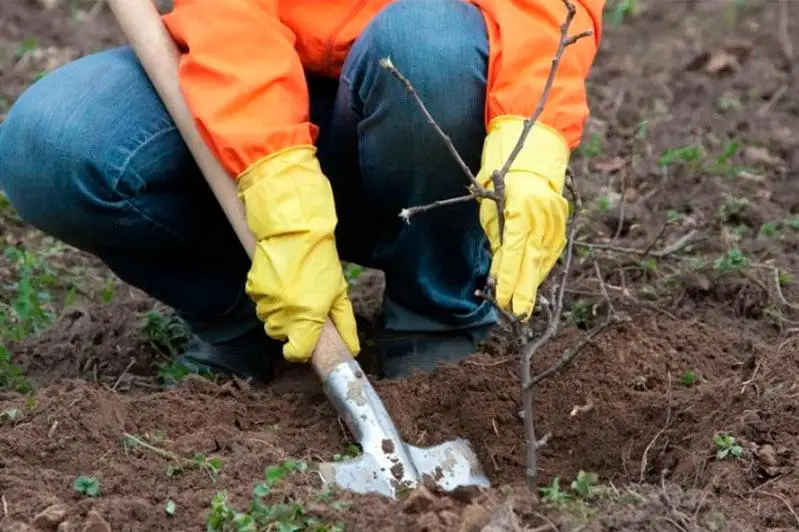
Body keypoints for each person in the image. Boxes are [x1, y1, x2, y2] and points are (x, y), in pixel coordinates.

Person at [0, 0, 603, 381]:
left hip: (423, 94)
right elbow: (230, 23)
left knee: (431, 44)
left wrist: (529, 126)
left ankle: (434, 315)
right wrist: (278, 192)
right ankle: (248, 321)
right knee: (51, 142)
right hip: (254, 79)